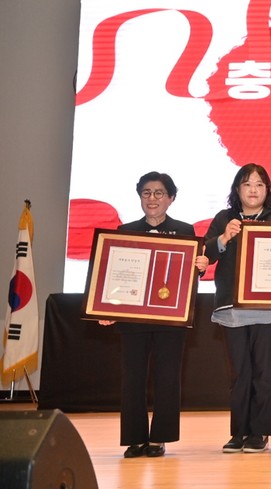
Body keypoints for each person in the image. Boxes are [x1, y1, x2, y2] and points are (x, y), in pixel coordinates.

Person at [99, 171, 209, 458]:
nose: (152, 198)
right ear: (139, 197)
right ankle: (134, 438)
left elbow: (189, 276)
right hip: (132, 319)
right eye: (146, 192)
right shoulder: (125, 230)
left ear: (171, 198)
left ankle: (160, 437)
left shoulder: (185, 231)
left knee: (168, 377)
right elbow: (114, 274)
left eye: (159, 193)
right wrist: (107, 308)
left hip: (170, 319)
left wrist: (200, 266)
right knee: (132, 379)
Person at [203, 163, 271, 454]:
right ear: (237, 189)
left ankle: (260, 431)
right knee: (239, 372)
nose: (253, 190)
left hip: (269, 308)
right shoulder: (224, 218)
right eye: (247, 184)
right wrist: (223, 238)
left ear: (267, 190)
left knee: (265, 371)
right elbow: (205, 254)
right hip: (232, 308)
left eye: (259, 184)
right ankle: (239, 431)